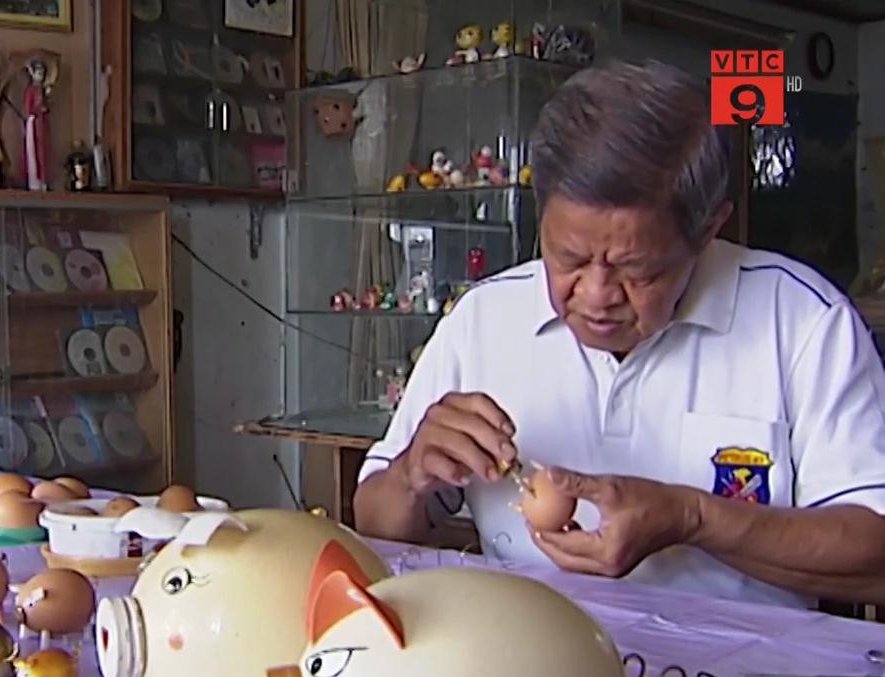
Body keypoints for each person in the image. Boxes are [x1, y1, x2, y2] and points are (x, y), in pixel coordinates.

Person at [353, 59, 885, 609]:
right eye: (568, 258)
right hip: (528, 649)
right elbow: (374, 522)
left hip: (751, 662)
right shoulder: (484, 319)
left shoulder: (801, 322)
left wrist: (694, 518)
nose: (596, 294)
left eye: (637, 270)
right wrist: (411, 473)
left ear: (708, 230)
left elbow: (876, 557)